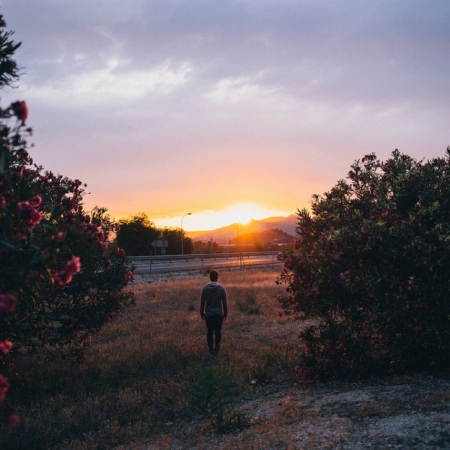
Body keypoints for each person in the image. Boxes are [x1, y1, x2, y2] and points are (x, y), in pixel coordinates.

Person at [200, 270, 228, 355]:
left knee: (209, 333)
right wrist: (225, 313)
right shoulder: (222, 289)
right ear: (217, 277)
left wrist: (202, 312)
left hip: (209, 314)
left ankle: (210, 350)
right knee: (218, 333)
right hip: (218, 314)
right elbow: (224, 303)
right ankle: (217, 349)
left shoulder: (204, 288)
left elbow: (202, 302)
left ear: (210, 277)